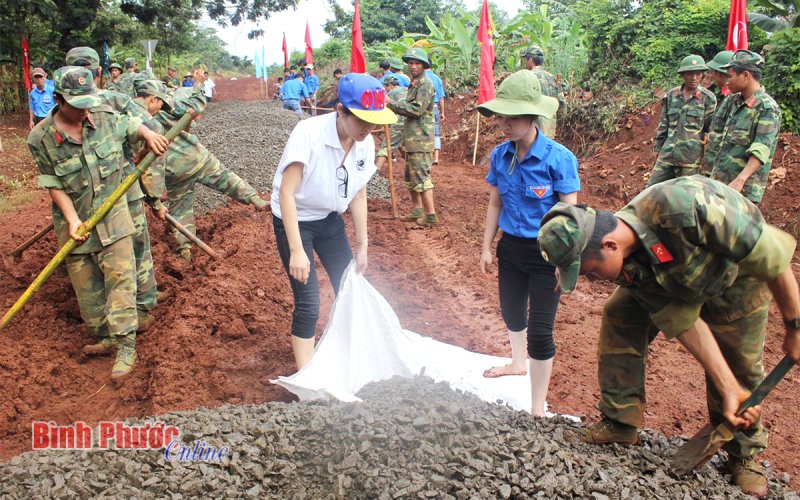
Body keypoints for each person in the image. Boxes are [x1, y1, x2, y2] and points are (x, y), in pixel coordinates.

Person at [537, 175, 800, 497]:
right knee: (621, 315)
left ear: (609, 245)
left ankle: (743, 455)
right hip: (674, 282)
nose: (592, 280)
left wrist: (794, 326)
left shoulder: (685, 208)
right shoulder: (626, 262)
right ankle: (621, 421)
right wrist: (726, 386)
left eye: (590, 271)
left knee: (741, 365)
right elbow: (682, 319)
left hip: (737, 280)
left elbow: (775, 259)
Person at [27, 66, 169, 380]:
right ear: (59, 99)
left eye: (87, 103)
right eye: (76, 105)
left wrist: (149, 134)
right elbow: (53, 182)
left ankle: (126, 346)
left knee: (121, 279)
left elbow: (133, 125)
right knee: (89, 301)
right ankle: (105, 336)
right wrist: (72, 219)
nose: (84, 111)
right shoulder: (40, 138)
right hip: (76, 225)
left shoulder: (104, 118)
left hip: (114, 217)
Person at [271, 73, 396, 369]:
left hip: (329, 220)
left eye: (373, 121)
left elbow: (358, 192)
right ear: (341, 111)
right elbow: (287, 194)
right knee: (309, 301)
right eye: (362, 120)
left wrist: (363, 244)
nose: (368, 128)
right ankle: (307, 374)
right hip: (296, 218)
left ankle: (345, 354)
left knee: (348, 289)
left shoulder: (365, 143)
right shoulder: (308, 134)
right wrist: (298, 250)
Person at [476, 70, 579, 417]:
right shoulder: (499, 156)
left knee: (540, 330)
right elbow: (495, 203)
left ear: (533, 116)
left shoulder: (558, 158)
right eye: (502, 117)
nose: (505, 124)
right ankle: (517, 363)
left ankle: (537, 407)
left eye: (513, 118)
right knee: (511, 312)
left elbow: (570, 216)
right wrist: (486, 247)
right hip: (511, 249)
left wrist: (566, 263)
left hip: (546, 254)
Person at [141, 72, 267, 262]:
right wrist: (198, 85)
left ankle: (184, 251)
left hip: (173, 171)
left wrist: (155, 196)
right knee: (226, 178)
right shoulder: (167, 107)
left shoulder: (135, 119)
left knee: (180, 210)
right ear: (153, 98)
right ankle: (256, 200)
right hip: (196, 158)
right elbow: (196, 105)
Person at [707, 50, 781, 204]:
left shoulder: (767, 108)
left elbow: (761, 150)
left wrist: (740, 181)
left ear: (745, 75)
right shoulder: (734, 100)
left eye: (731, 76)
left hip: (742, 190)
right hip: (719, 182)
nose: (727, 81)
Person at [386, 48, 438, 227]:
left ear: (424, 65)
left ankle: (430, 215)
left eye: (417, 63)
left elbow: (416, 109)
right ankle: (417, 209)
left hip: (421, 139)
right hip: (412, 137)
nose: (413, 66)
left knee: (421, 177)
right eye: (411, 63)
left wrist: (391, 104)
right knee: (411, 176)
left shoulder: (425, 84)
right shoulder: (415, 82)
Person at [646, 55, 716, 186]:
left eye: (698, 74)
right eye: (690, 74)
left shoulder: (708, 98)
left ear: (702, 74)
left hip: (690, 159)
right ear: (683, 74)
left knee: (685, 197)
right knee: (651, 190)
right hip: (667, 155)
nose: (694, 78)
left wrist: (706, 162)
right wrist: (658, 149)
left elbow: (710, 130)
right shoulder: (672, 95)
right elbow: (664, 124)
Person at [523, 45, 567, 139]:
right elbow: (562, 104)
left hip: (531, 129)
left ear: (530, 60)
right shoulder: (552, 77)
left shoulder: (526, 77)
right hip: (549, 127)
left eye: (526, 60)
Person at [375, 75, 407, 171]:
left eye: (385, 87)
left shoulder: (391, 94)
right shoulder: (407, 90)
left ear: (389, 85)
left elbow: (387, 111)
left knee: (386, 146)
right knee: (406, 144)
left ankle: (375, 173)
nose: (385, 89)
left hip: (400, 122)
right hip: (413, 121)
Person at [424, 67, 445, 165]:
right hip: (435, 108)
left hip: (423, 109)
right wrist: (442, 112)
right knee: (436, 132)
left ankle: (426, 156)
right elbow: (441, 98)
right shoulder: (437, 79)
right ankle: (436, 158)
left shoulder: (420, 77)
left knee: (424, 131)